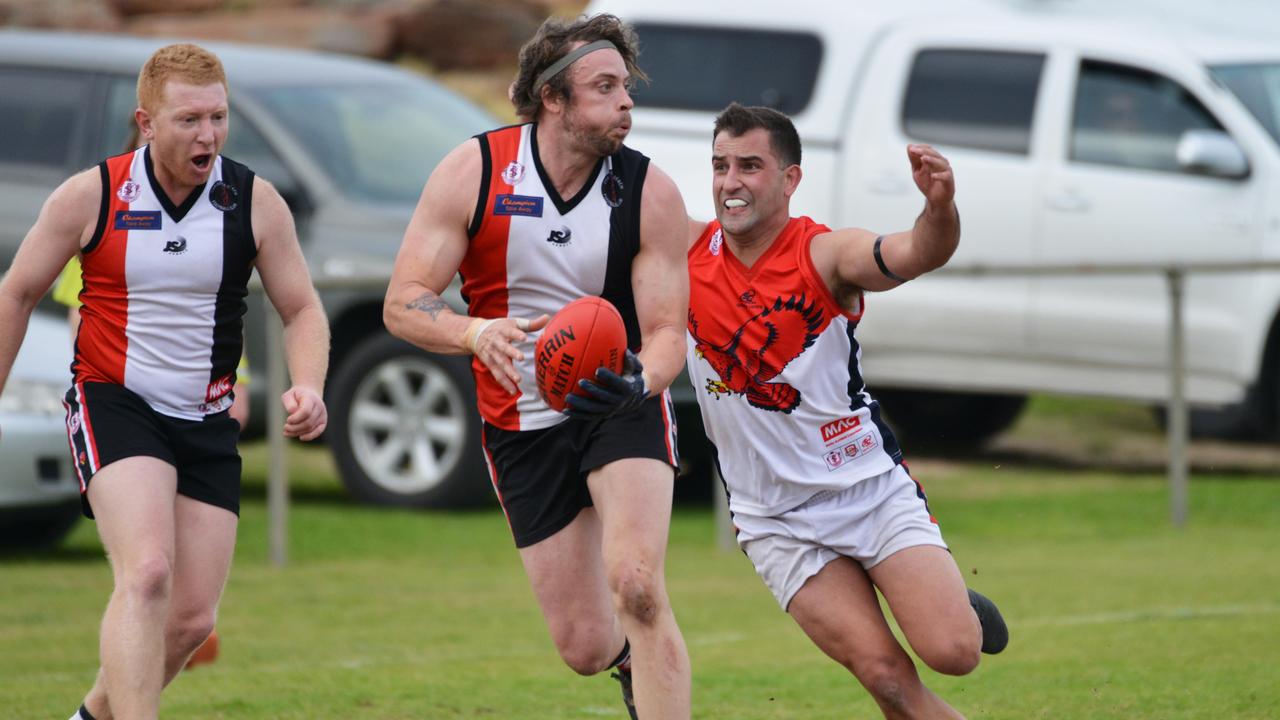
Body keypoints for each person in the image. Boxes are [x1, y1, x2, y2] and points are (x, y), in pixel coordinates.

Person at [0, 43, 330, 720]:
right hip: (114, 401)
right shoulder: (91, 195)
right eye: (188, 120)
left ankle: (90, 715)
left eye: (218, 116)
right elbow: (17, 293)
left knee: (188, 622)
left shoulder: (254, 201)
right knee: (147, 573)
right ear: (146, 123)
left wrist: (310, 385)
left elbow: (302, 308)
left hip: (207, 419)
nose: (207, 134)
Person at [384, 14, 690, 720]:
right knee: (584, 645)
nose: (626, 103)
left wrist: (641, 380)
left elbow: (670, 332)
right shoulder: (477, 170)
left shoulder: (649, 192)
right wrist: (471, 333)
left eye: (626, 87)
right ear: (553, 99)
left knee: (638, 586)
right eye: (605, 87)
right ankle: (626, 668)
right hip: (518, 415)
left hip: (620, 399)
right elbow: (403, 303)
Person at [683, 103, 1007, 719]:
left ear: (790, 179)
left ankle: (946, 603)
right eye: (721, 165)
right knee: (886, 680)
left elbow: (916, 252)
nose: (731, 182)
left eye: (750, 166)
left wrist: (939, 208)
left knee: (954, 652)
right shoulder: (687, 252)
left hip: (865, 490)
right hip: (772, 516)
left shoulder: (826, 255)